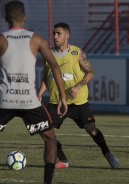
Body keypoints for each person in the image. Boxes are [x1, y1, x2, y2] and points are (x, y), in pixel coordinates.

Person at [0, 1, 67, 184]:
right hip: (29, 101)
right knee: (50, 139)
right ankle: (47, 182)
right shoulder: (36, 39)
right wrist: (62, 96)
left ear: (5, 19)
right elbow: (54, 65)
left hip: (4, 100)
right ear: (25, 18)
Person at [38, 22, 119, 169]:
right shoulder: (48, 54)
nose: (55, 37)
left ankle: (107, 153)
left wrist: (78, 86)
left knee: (92, 131)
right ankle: (63, 160)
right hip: (56, 102)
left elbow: (91, 73)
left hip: (78, 102)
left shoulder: (77, 53)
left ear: (67, 36)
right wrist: (39, 93)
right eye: (54, 34)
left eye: (58, 34)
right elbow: (46, 76)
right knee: (45, 132)